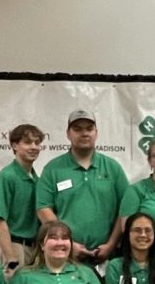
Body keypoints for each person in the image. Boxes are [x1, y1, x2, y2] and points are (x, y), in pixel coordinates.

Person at [37, 110, 129, 264]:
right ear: (68, 134)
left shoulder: (113, 168)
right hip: (65, 257)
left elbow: (126, 209)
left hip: (107, 258)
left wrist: (111, 245)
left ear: (96, 133)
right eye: (77, 129)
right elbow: (43, 209)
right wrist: (68, 244)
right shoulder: (53, 169)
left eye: (89, 129)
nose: (84, 133)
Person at [0, 124, 44, 276]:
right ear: (15, 145)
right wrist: (10, 257)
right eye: (27, 142)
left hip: (33, 249)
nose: (33, 147)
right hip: (13, 247)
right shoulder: (7, 176)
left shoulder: (37, 179)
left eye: (37, 143)